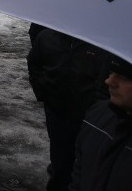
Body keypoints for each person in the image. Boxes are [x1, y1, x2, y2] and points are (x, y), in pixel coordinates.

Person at [70, 55, 132, 190]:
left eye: (124, 78)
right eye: (112, 72)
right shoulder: (97, 114)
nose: (109, 81)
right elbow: (79, 173)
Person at [27, 28, 108, 191]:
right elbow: (34, 64)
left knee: (88, 162)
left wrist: (97, 109)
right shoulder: (47, 37)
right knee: (60, 160)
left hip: (88, 116)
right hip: (57, 112)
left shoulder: (99, 41)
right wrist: (43, 91)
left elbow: (105, 79)